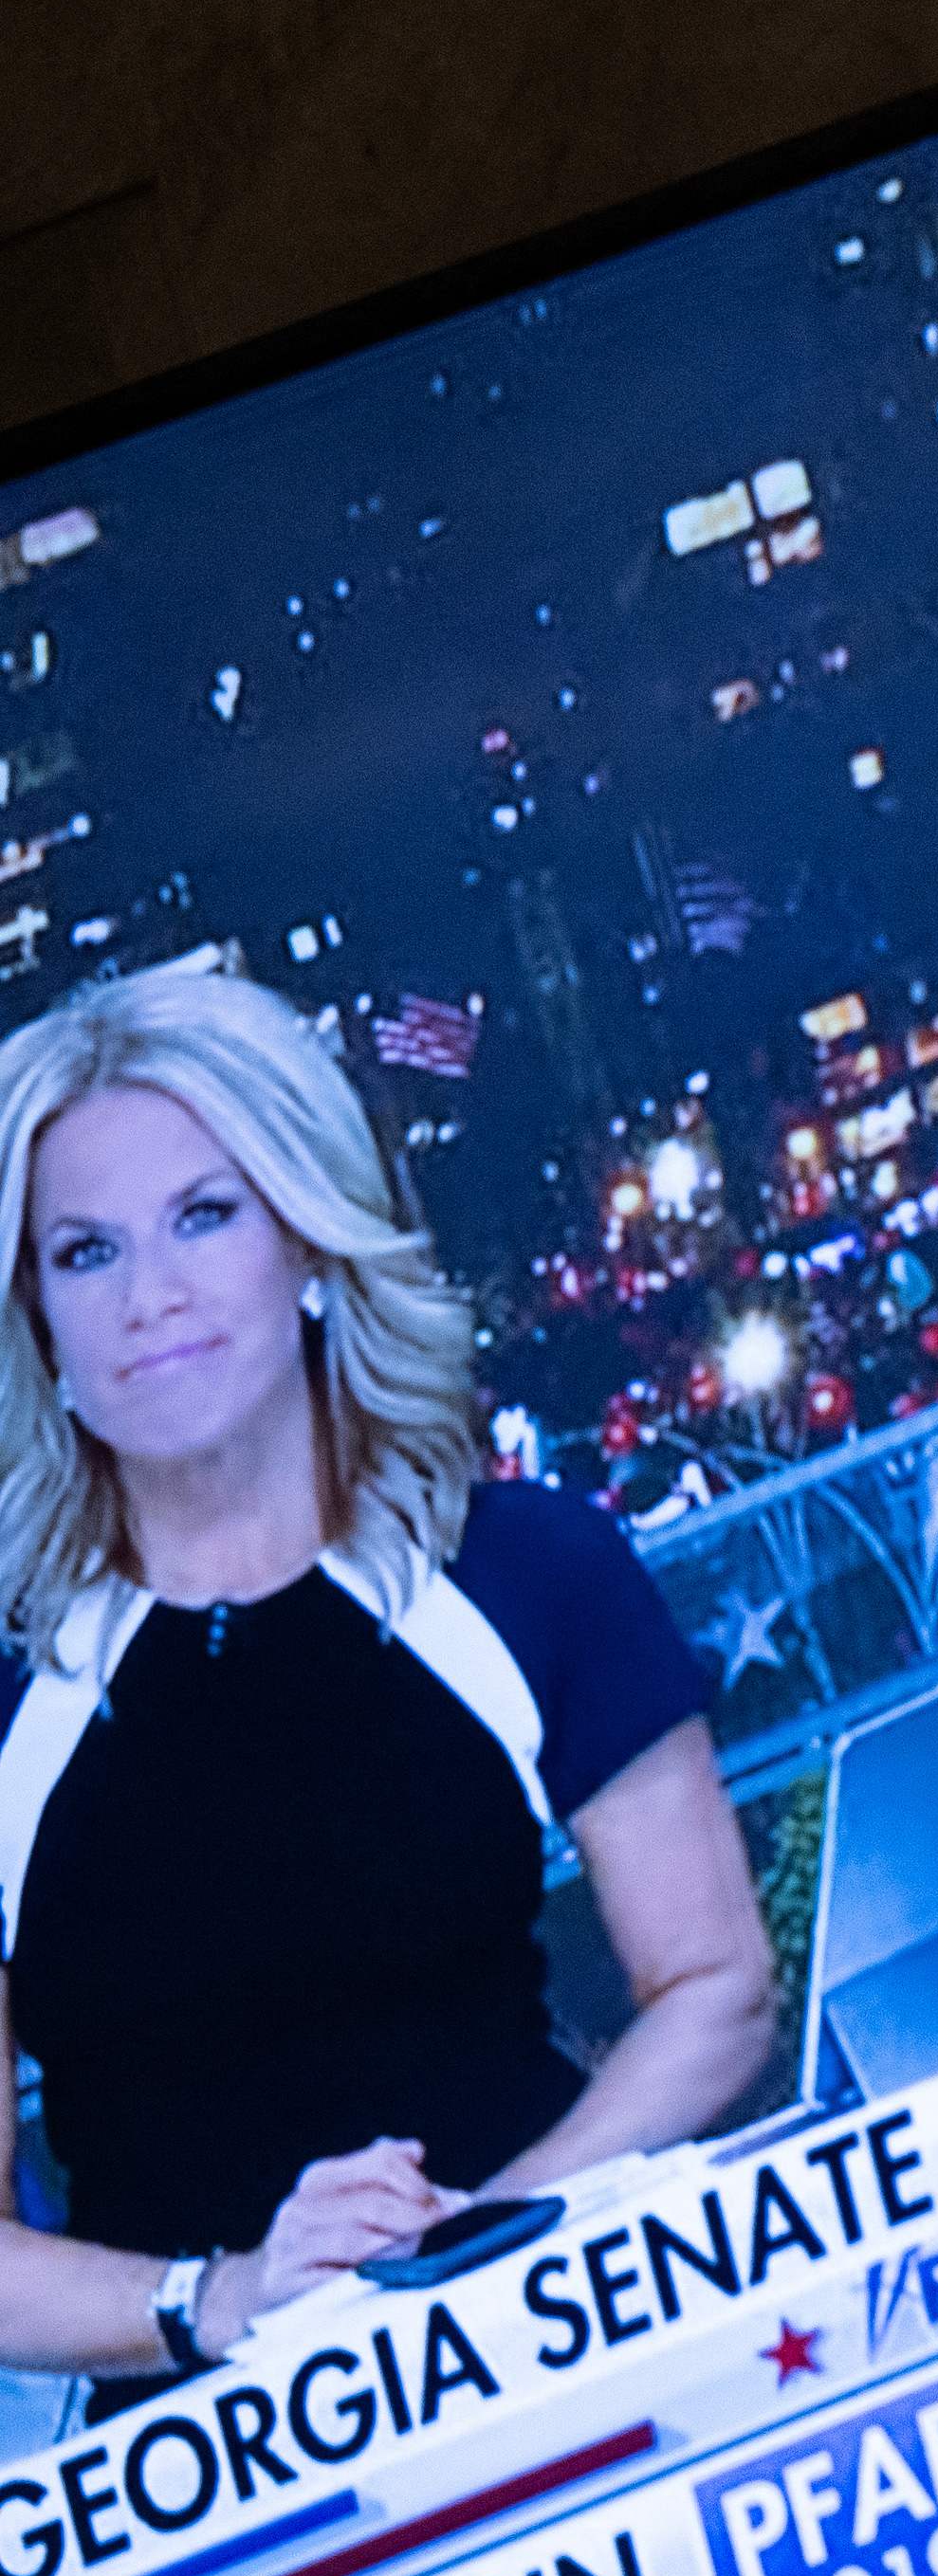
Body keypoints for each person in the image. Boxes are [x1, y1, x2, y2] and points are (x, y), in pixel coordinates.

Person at [0, 972, 776, 2382]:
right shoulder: (10, 1716)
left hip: (556, 2322)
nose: (150, 1297)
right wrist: (220, 2301)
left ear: (308, 1242)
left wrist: (491, 2238)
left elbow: (717, 1986)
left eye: (205, 1215)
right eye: (85, 1252)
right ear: (36, 1320)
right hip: (203, 2457)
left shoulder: (521, 1569)